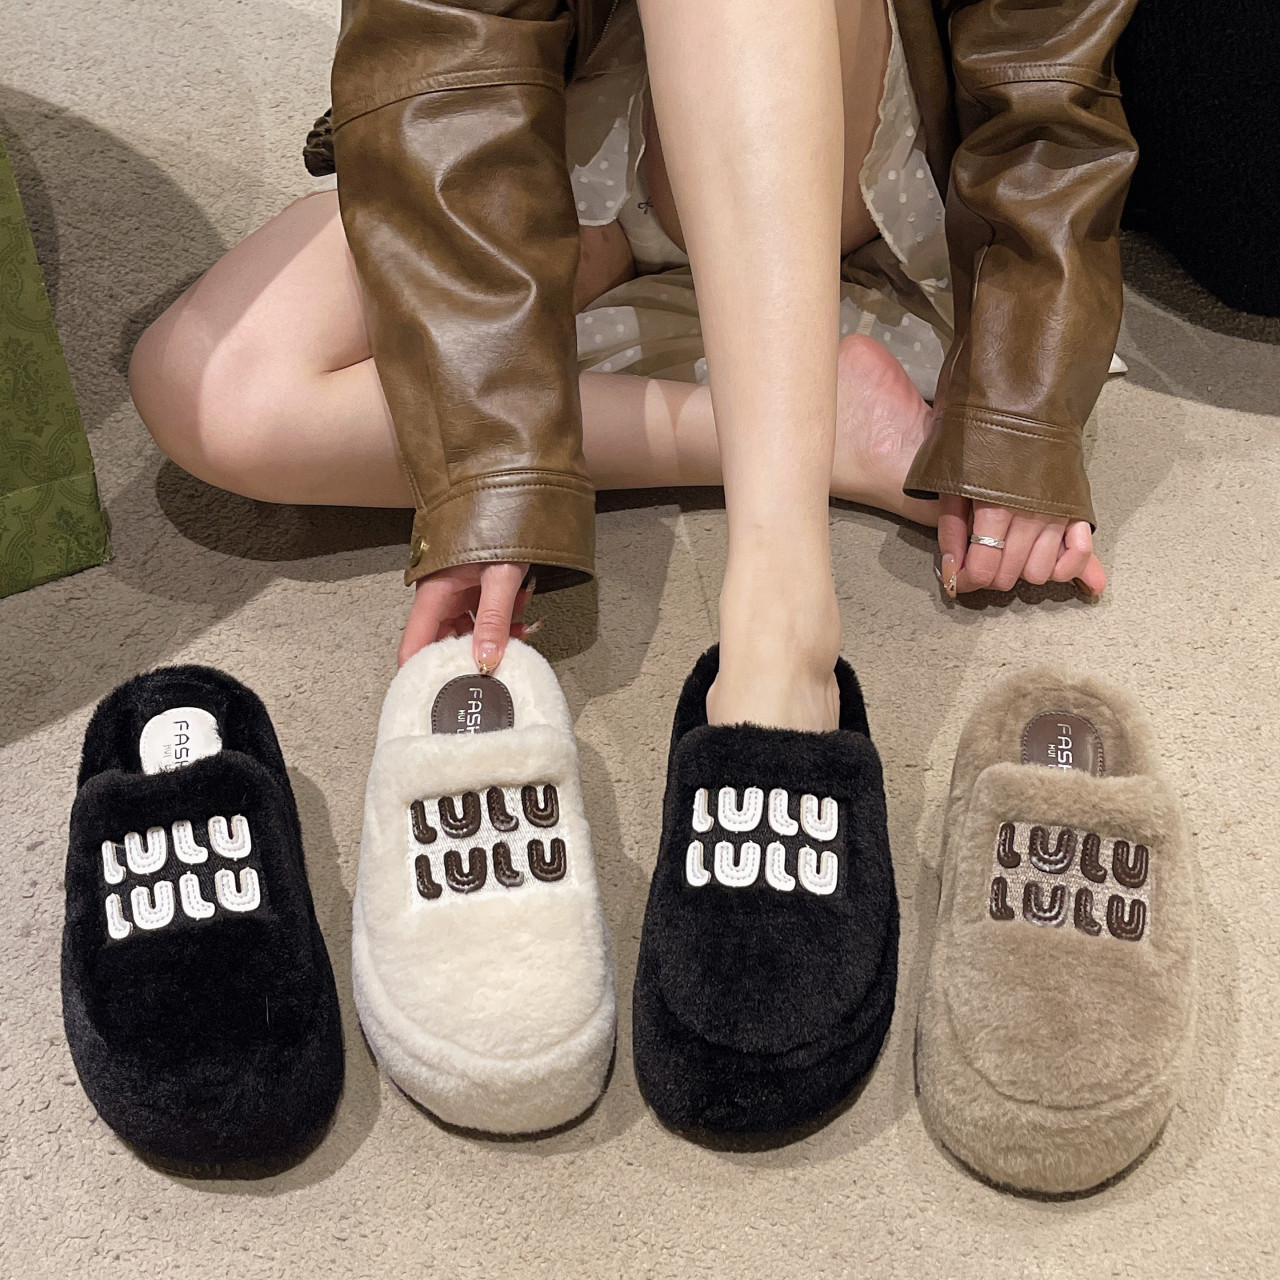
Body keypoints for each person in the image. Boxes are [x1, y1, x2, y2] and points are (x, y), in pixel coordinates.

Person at [130, 0, 1129, 732]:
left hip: (829, 102)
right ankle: (815, 428)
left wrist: (1019, 398)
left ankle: (780, 614)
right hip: (570, 113)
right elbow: (440, 37)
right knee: (212, 388)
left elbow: (1047, 61)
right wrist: (494, 462)